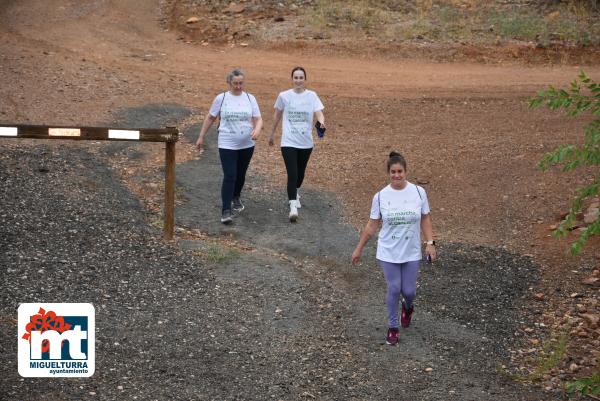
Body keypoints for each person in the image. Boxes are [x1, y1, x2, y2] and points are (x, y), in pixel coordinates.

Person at [351, 151, 437, 346]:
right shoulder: (380, 196)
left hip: (411, 250)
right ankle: (392, 327)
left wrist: (430, 243)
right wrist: (359, 248)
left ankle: (408, 307)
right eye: (393, 172)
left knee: (409, 291)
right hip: (388, 251)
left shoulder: (418, 192)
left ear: (406, 171)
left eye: (400, 171)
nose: (396, 175)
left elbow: (425, 218)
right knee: (394, 287)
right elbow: (372, 225)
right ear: (388, 173)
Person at [195, 68, 263, 224]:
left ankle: (236, 196)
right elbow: (211, 117)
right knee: (230, 175)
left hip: (247, 143)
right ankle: (226, 210)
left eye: (241, 83)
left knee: (241, 174)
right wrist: (201, 136)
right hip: (227, 143)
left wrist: (257, 129)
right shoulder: (222, 98)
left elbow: (258, 119)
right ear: (229, 83)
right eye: (235, 83)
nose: (238, 86)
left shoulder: (250, 98)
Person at [268, 66, 325, 222]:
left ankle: (296, 191)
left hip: (306, 142)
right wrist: (272, 134)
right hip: (288, 142)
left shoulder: (312, 96)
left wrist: (321, 122)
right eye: (296, 77)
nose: (298, 80)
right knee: (292, 174)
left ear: (304, 79)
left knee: (300, 175)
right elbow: (277, 115)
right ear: (292, 79)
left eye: (301, 77)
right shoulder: (284, 96)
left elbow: (319, 112)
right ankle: (292, 206)